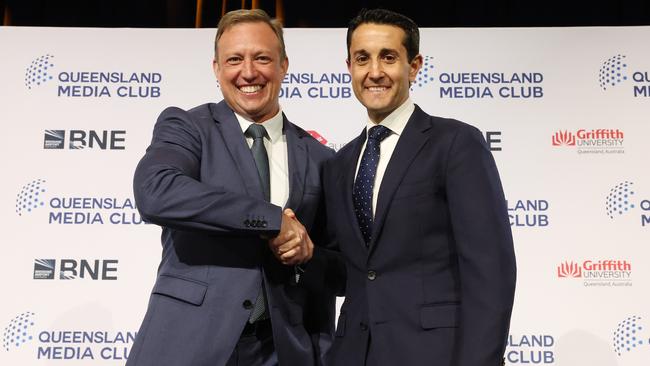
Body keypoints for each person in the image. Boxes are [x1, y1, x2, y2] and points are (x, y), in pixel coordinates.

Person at [126, 9, 337, 366]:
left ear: (284, 65)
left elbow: (339, 268)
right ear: (216, 68)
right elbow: (155, 191)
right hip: (187, 343)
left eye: (262, 58)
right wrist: (273, 220)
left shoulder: (319, 156)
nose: (249, 72)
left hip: (281, 350)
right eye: (235, 59)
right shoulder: (188, 127)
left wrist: (307, 254)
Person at [323, 8, 517, 366]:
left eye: (389, 57)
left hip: (435, 354)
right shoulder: (339, 163)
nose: (375, 72)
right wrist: (299, 253)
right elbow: (349, 270)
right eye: (362, 58)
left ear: (414, 67)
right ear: (349, 66)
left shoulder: (456, 144)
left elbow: (490, 272)